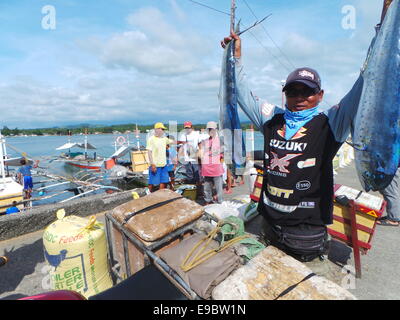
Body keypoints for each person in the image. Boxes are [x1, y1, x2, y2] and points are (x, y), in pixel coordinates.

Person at [221, 32, 364, 262]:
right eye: (292, 92)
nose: (299, 98)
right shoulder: (272, 118)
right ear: (284, 94)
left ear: (320, 95)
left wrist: (383, 28)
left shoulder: (331, 123)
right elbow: (241, 95)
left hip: (305, 233)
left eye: (307, 92)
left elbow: (364, 87)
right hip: (268, 224)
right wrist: (234, 58)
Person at [198, 121, 224, 204]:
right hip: (206, 168)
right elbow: (200, 153)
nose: (211, 131)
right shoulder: (204, 141)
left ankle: (220, 202)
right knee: (207, 187)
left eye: (212, 129)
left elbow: (225, 152)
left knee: (218, 187)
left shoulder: (220, 140)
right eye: (209, 129)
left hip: (216, 168)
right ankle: (207, 201)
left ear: (216, 130)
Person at [146, 123, 172, 193]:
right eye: (162, 129)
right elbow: (149, 152)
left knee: (164, 181)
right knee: (152, 182)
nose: (163, 131)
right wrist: (152, 164)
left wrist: (184, 141)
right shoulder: (151, 139)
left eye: (163, 129)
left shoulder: (164, 139)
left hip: (163, 164)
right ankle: (149, 194)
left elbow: (172, 142)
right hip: (155, 164)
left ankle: (160, 195)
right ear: (157, 129)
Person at [177, 121, 202, 187]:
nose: (187, 129)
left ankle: (199, 189)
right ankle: (192, 188)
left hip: (195, 157)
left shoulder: (196, 134)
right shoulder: (183, 135)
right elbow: (181, 146)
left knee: (197, 174)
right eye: (186, 128)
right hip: (187, 158)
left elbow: (200, 144)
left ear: (191, 127)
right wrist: (179, 156)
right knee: (189, 174)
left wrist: (200, 154)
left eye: (189, 127)